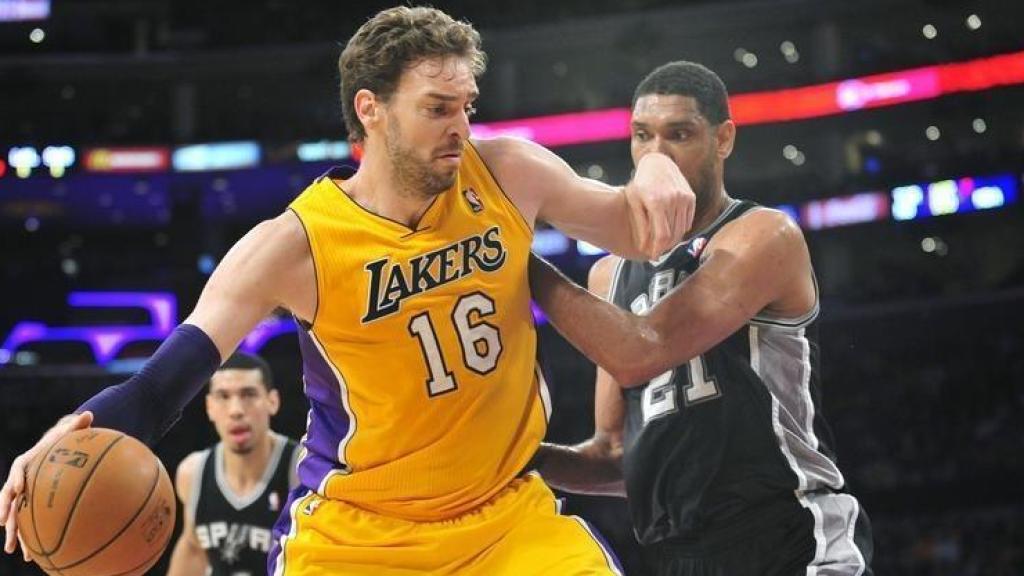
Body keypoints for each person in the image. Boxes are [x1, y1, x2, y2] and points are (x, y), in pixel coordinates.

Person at [1, 6, 697, 575]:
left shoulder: (509, 171)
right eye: (437, 109)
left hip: (505, 518)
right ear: (371, 109)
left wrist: (657, 165)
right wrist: (71, 431)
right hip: (358, 535)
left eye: (466, 106)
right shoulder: (295, 244)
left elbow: (638, 230)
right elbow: (161, 387)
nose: (460, 128)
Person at [529, 61, 874, 576]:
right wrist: (519, 461)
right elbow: (614, 456)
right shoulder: (609, 276)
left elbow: (640, 351)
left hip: (789, 537)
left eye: (680, 134)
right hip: (676, 555)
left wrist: (519, 262)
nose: (657, 155)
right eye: (642, 136)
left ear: (723, 139)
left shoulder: (762, 235)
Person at [167, 352, 299, 576]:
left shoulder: (302, 470)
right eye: (223, 396)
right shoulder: (192, 472)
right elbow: (193, 550)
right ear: (209, 407)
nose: (236, 410)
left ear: (272, 401)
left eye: (249, 394)